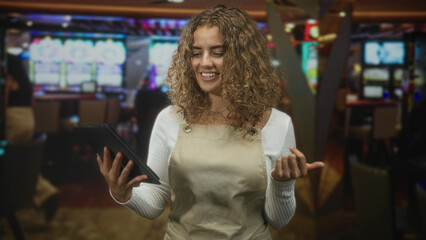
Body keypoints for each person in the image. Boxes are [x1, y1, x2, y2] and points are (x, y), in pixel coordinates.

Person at [97, 5, 324, 239]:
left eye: (217, 52)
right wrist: (125, 195)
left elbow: (278, 220)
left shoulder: (278, 124)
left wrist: (282, 185)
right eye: (196, 53)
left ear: (245, 58)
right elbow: (156, 202)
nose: (204, 63)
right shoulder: (169, 119)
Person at [4, 53, 58, 221]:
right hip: (28, 120)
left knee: (13, 165)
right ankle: (47, 194)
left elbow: (4, 101)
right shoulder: (26, 82)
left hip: (14, 120)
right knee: (20, 162)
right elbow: (33, 104)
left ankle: (47, 194)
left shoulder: (9, 79)